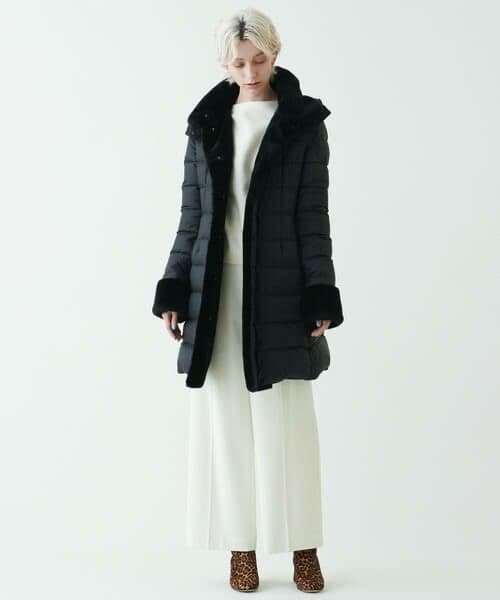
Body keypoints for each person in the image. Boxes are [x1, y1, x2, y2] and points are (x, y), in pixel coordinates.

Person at [151, 7, 344, 593]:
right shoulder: (206, 124)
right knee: (228, 425)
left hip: (281, 292)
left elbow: (313, 215)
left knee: (288, 423)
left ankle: (304, 548)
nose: (251, 71)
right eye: (239, 63)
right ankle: (242, 548)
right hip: (216, 294)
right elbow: (191, 216)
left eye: (259, 59)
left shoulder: (304, 123)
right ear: (225, 63)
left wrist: (320, 291)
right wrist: (174, 287)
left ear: (275, 53)